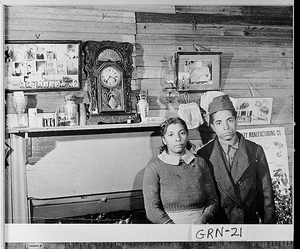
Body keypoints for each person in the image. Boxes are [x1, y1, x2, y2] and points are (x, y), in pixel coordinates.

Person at [197, 94, 277, 224]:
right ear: (212, 126)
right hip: (219, 227)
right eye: (219, 123)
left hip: (248, 225)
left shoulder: (255, 151)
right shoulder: (204, 154)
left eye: (229, 120)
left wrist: (269, 230)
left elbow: (266, 195)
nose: (226, 127)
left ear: (236, 120)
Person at [143, 117, 219, 224]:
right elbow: (151, 209)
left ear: (187, 136)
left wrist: (204, 218)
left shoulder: (200, 163)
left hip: (200, 227)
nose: (178, 138)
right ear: (164, 140)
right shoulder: (154, 166)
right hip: (169, 229)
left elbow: (213, 200)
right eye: (171, 135)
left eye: (182, 133)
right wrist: (170, 225)